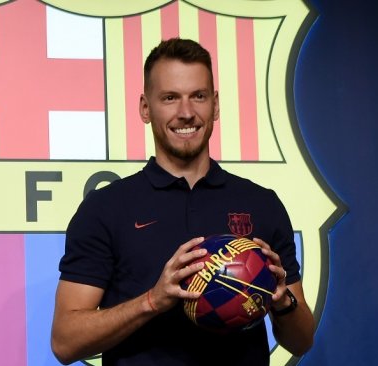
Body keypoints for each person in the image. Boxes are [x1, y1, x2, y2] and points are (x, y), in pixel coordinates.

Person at [51, 38, 314, 366]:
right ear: (146, 108)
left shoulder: (262, 203)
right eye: (170, 98)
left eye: (198, 96)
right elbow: (64, 341)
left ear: (215, 105)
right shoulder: (105, 208)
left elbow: (302, 340)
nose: (186, 113)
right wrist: (152, 300)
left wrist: (282, 302)